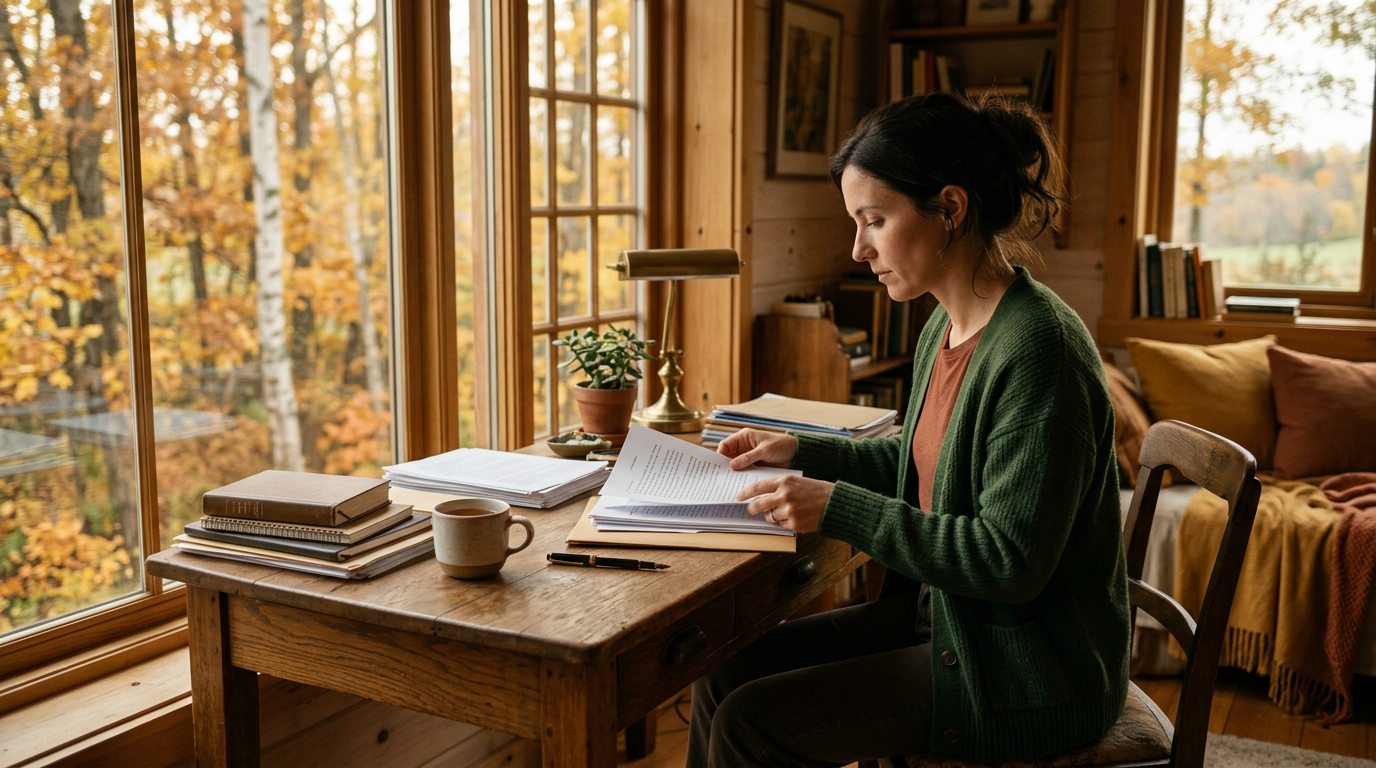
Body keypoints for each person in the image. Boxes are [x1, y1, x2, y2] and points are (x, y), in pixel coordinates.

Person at [687, 92, 1131, 767]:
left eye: (874, 220)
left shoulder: (1041, 350)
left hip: (1021, 671)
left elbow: (1007, 561)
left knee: (754, 724)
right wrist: (803, 451)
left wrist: (835, 506)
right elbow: (925, 462)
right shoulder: (945, 325)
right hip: (942, 624)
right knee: (721, 673)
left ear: (950, 208)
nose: (859, 249)